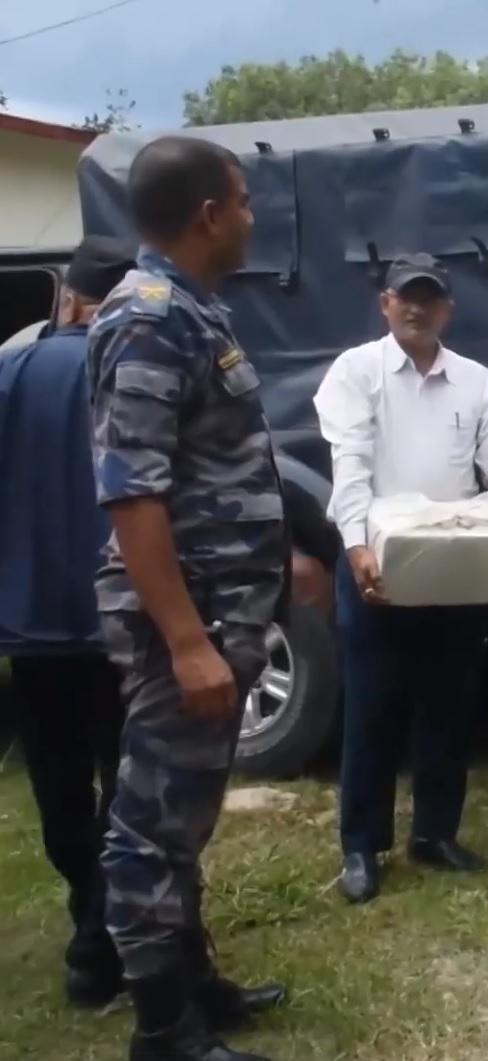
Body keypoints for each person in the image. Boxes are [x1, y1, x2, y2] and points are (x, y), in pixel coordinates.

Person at [88, 135, 287, 1060]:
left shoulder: (195, 312)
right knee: (148, 827)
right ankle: (163, 1028)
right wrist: (185, 640)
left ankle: (195, 982)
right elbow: (133, 493)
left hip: (220, 608)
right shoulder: (150, 317)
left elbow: (220, 468)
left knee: (185, 813)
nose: (250, 216)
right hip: (188, 618)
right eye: (242, 200)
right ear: (208, 213)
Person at [312, 254, 488, 903]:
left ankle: (434, 832)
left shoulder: (476, 382)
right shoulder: (358, 372)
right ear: (385, 303)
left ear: (447, 310)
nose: (417, 307)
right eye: (406, 296)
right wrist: (355, 547)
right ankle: (360, 846)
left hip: (454, 564)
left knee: (450, 703)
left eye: (429, 298)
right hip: (379, 562)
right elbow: (349, 464)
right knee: (372, 707)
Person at [0, 236, 138, 1007]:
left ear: (68, 298)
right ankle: (107, 934)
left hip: (32, 622)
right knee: (130, 781)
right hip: (122, 615)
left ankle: (88, 922)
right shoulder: (137, 371)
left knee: (57, 781)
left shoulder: (11, 371)